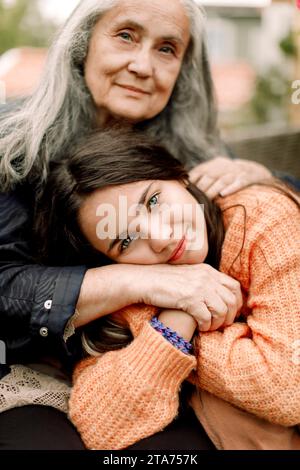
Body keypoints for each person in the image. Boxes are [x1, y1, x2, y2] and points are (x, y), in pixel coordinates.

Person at [0, 0, 297, 449]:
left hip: (157, 368)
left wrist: (266, 177)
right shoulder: (16, 150)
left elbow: (271, 221)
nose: (142, 66)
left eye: (167, 49)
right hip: (38, 366)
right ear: (82, 44)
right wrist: (146, 285)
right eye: (125, 36)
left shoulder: (187, 155)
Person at [33, 129, 300, 450]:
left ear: (179, 176)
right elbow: (101, 427)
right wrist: (172, 325)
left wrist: (149, 325)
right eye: (126, 241)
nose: (161, 238)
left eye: (153, 201)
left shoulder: (264, 220)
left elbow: (288, 389)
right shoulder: (123, 294)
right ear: (108, 264)